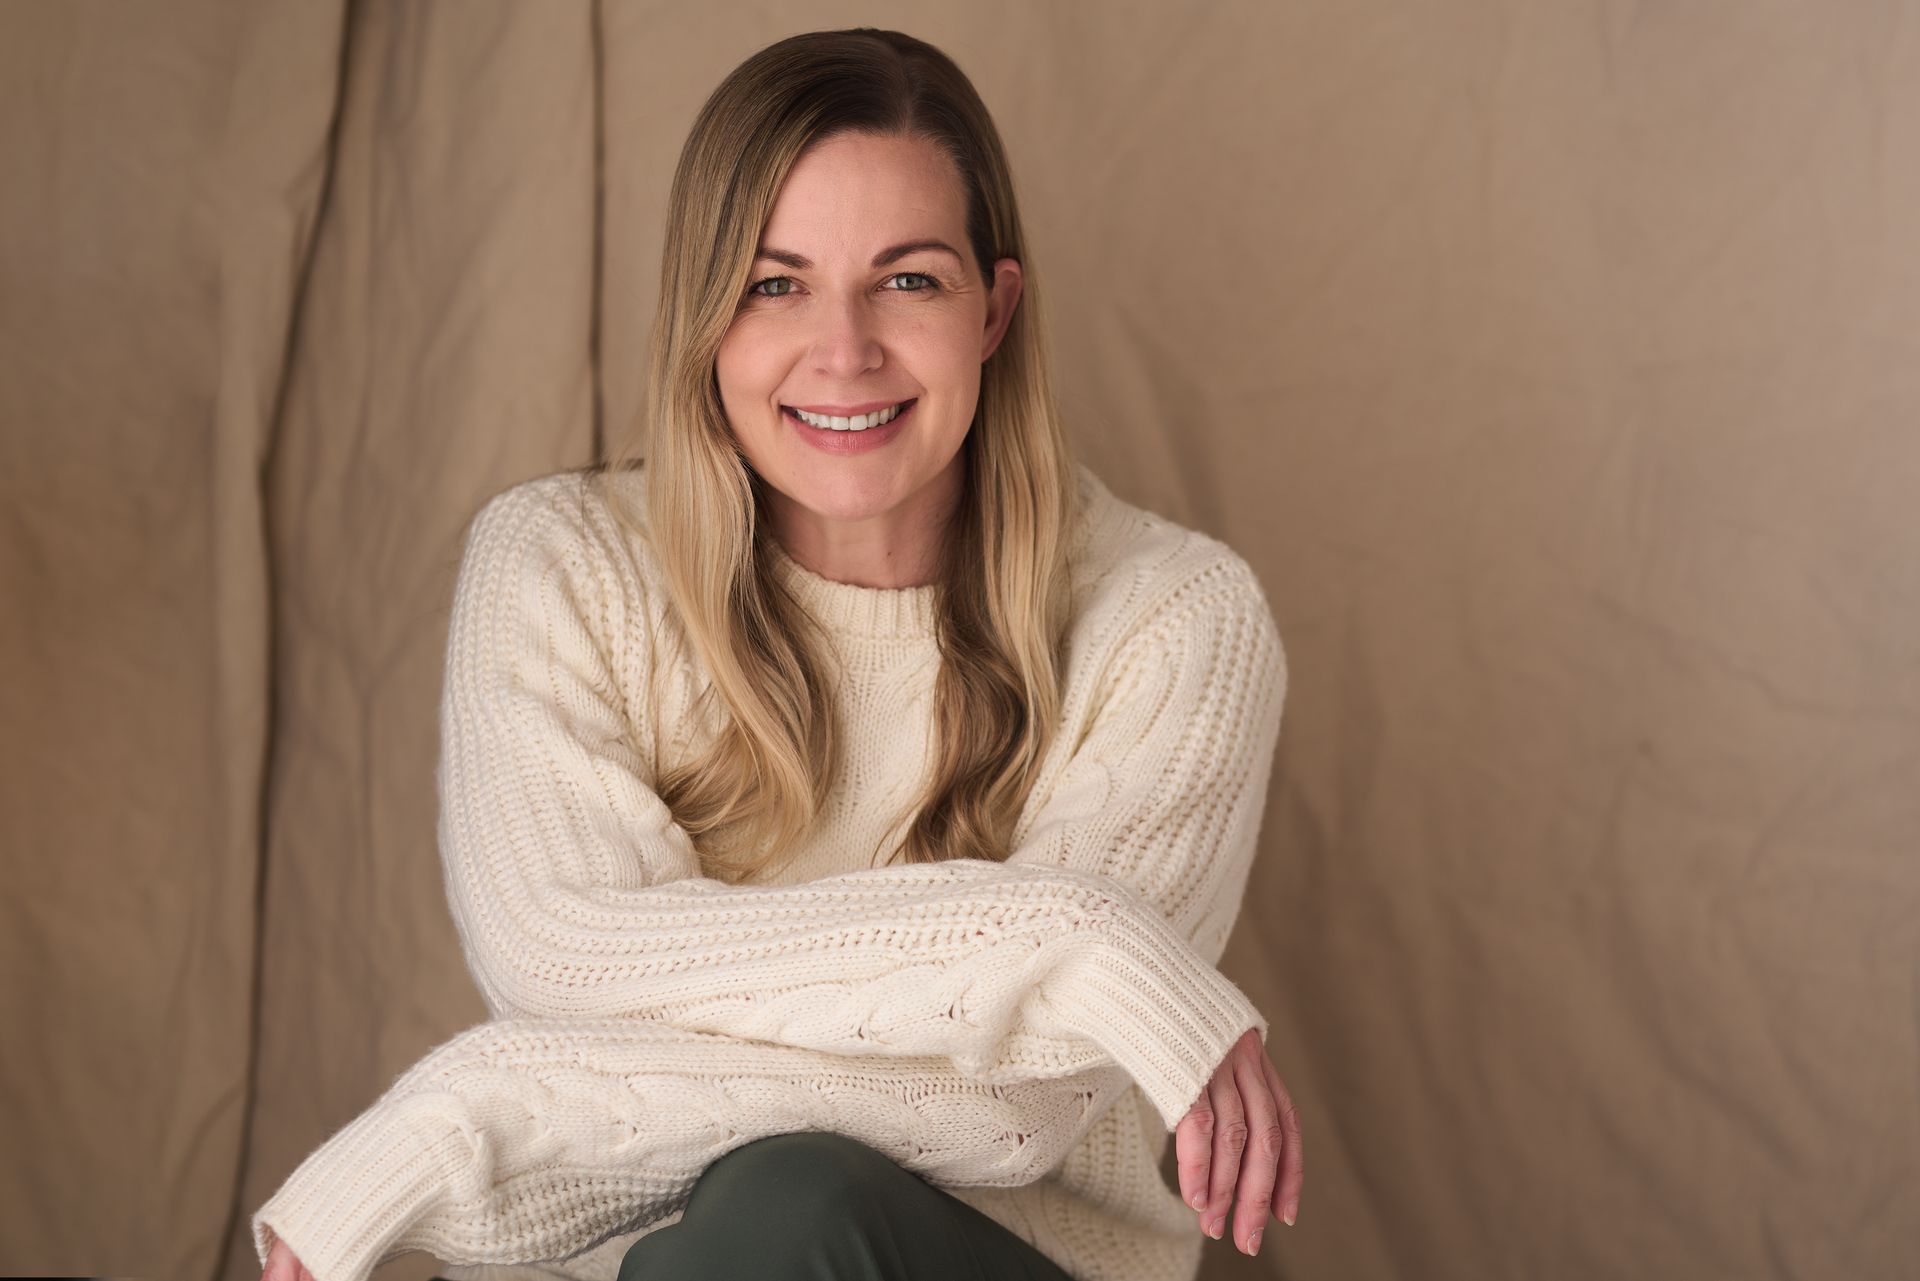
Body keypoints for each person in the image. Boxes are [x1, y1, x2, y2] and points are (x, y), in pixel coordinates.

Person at [254, 26, 1300, 1281]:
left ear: (995, 311)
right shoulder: (563, 566)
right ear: (705, 322)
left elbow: (1010, 1110)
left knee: (786, 1209)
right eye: (773, 282)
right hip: (639, 1264)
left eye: (907, 280)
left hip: (1005, 1259)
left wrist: (462, 1120)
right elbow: (563, 953)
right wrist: (1082, 944)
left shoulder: (1176, 617)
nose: (843, 349)